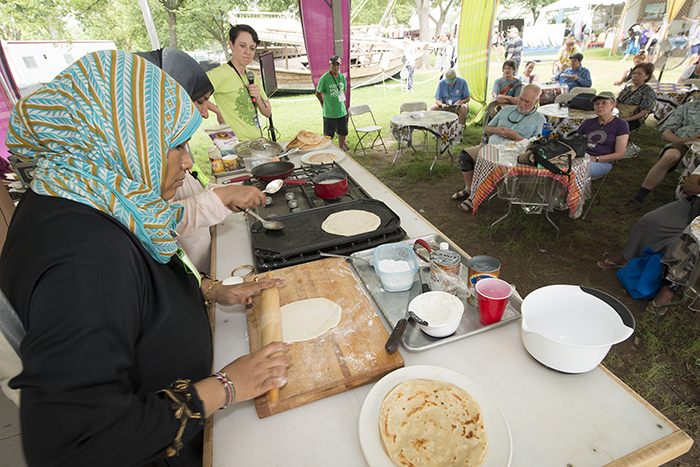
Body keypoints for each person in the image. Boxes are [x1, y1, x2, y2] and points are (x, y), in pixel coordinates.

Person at [0, 50, 291, 466]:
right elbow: (75, 443)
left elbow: (139, 286)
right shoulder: (83, 258)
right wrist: (227, 386)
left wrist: (210, 290)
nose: (188, 162)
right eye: (176, 146)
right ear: (126, 137)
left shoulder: (83, 190)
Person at [137, 47, 266, 273]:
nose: (205, 114)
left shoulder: (166, 142)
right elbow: (157, 218)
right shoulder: (142, 158)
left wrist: (224, 194)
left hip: (201, 269)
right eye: (199, 101)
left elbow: (193, 185)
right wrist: (222, 196)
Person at [598, 168, 700, 311]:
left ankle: (669, 288)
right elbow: (689, 186)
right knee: (650, 221)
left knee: (689, 242)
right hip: (696, 205)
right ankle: (628, 257)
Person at [451, 84, 545, 212]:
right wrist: (496, 130)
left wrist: (516, 137)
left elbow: (537, 144)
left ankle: (475, 196)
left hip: (512, 156)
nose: (522, 103)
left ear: (536, 102)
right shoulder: (506, 110)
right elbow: (487, 130)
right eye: (521, 99)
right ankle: (469, 188)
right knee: (465, 156)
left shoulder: (540, 119)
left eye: (527, 101)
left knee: (490, 165)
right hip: (490, 148)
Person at [617, 99, 700, 213]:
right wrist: (683, 140)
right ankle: (639, 198)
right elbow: (666, 133)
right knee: (669, 157)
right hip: (684, 143)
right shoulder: (688, 107)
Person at [207, 24, 272, 142]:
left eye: (252, 48)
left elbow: (267, 112)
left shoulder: (252, 76)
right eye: (243, 46)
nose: (248, 52)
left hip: (258, 143)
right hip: (236, 146)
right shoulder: (220, 74)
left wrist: (257, 97)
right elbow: (193, 95)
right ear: (231, 45)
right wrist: (217, 110)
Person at [576, 91, 630, 178]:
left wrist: (596, 158)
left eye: (604, 102)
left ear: (613, 105)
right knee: (554, 167)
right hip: (580, 158)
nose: (599, 106)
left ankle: (572, 191)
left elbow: (619, 154)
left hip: (601, 162)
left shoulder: (621, 125)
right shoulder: (588, 122)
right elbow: (575, 142)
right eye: (596, 103)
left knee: (575, 172)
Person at [316, 55, 350, 152]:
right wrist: (323, 104)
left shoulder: (342, 77)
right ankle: (328, 151)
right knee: (328, 135)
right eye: (333, 64)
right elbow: (318, 93)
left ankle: (341, 149)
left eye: (337, 65)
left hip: (341, 111)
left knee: (342, 132)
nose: (335, 67)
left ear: (340, 66)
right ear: (329, 65)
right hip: (329, 112)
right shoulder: (324, 78)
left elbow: (343, 91)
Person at [616, 62, 657, 131]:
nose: (635, 76)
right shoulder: (628, 88)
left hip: (632, 120)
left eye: (639, 74)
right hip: (619, 115)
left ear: (647, 76)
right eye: (634, 73)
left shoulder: (647, 91)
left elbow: (644, 112)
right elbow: (618, 101)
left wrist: (625, 120)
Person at [430, 68, 470, 132]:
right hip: (445, 107)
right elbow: (437, 99)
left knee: (464, 107)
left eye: (452, 81)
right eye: (449, 82)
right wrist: (441, 104)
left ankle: (459, 131)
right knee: (433, 108)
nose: (450, 83)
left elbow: (468, 98)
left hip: (457, 107)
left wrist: (461, 102)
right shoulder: (441, 83)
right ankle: (437, 129)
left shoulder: (462, 82)